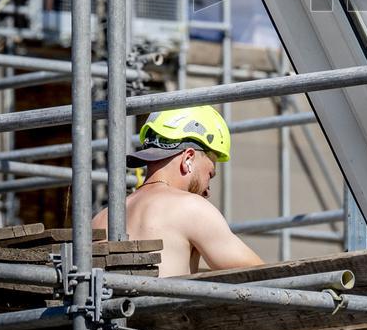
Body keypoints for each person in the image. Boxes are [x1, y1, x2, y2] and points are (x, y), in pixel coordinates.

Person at [92, 105, 263, 276]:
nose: (207, 191)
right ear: (188, 158)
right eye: (210, 174)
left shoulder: (101, 218)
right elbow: (262, 277)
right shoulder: (191, 208)